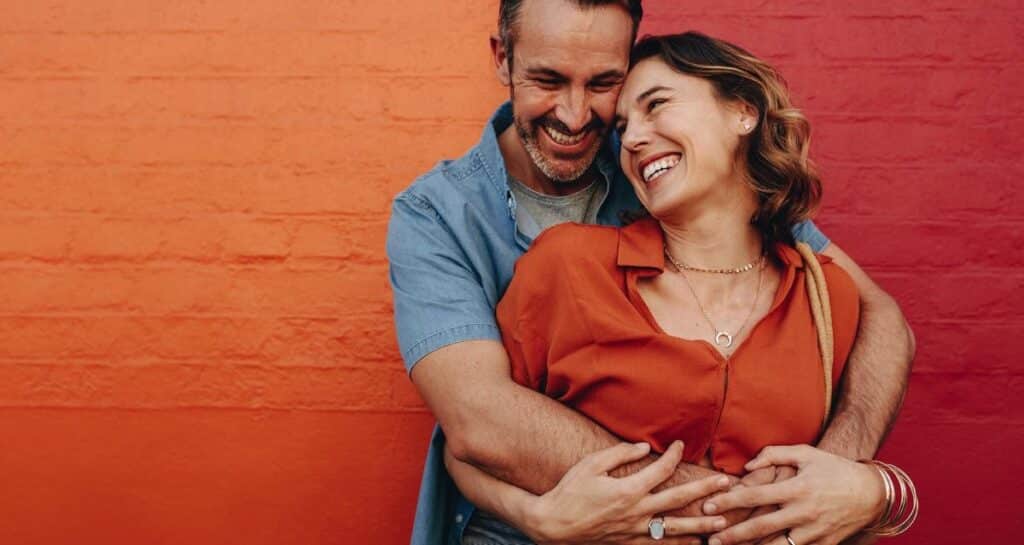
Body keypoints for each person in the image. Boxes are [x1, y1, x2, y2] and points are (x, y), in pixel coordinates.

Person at [385, 1, 915, 544]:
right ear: (503, 59)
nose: (574, 115)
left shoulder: (673, 164)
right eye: (547, 79)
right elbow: (477, 422)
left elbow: (877, 313)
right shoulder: (438, 214)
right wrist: (745, 518)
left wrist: (843, 477)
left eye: (603, 84)